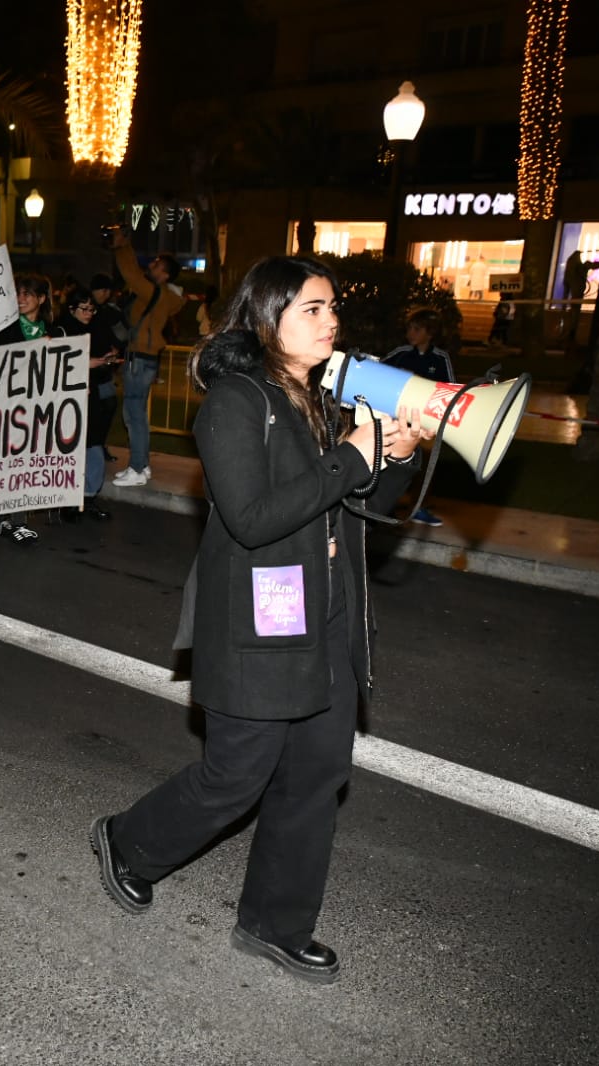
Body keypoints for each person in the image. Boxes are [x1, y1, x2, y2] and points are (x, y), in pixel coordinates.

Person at [89, 256, 428, 985]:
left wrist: (393, 457)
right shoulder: (234, 403)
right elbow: (250, 519)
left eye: (331, 306)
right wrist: (347, 455)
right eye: (311, 308)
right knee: (236, 774)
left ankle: (274, 924)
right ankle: (127, 843)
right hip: (260, 619)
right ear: (267, 317)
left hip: (327, 611)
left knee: (315, 772)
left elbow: (356, 500)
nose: (329, 319)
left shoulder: (323, 403)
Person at [0, 273, 56, 545]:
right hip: (5, 406)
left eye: (27, 294)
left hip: (34, 408)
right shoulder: (5, 328)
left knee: (25, 463)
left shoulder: (50, 330)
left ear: (41, 299)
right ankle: (9, 520)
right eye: (18, 293)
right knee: (8, 462)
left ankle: (7, 519)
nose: (20, 299)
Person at [108, 230, 185, 489]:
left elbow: (130, 272)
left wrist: (123, 246)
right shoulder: (164, 295)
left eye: (156, 265)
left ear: (164, 274)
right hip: (145, 358)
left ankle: (137, 468)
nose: (150, 266)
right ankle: (142, 465)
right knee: (136, 414)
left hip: (139, 358)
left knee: (134, 415)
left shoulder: (153, 292)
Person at [382, 308, 455, 527]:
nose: (410, 333)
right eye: (409, 328)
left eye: (416, 329)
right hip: (399, 420)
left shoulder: (441, 358)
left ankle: (418, 507)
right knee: (392, 462)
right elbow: (380, 371)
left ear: (429, 333)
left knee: (424, 468)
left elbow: (450, 389)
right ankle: (389, 505)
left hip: (426, 423)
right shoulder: (401, 353)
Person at [52, 293, 116, 520]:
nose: (89, 313)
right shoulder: (61, 329)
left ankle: (88, 498)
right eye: (84, 308)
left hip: (94, 394)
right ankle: (66, 501)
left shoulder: (97, 327)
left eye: (92, 309)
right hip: (68, 398)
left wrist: (108, 358)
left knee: (93, 445)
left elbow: (111, 347)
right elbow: (53, 361)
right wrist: (86, 363)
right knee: (69, 447)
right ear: (71, 309)